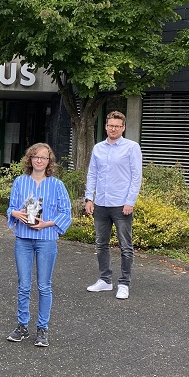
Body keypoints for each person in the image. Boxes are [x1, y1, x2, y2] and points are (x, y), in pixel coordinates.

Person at [5, 143, 72, 347]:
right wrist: (15, 213)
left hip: (46, 239)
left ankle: (42, 329)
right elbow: (11, 208)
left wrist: (47, 223)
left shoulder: (57, 185)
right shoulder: (19, 182)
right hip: (23, 238)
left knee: (44, 286)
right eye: (35, 157)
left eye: (43, 158)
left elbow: (66, 212)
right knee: (24, 285)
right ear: (30, 159)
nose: (39, 161)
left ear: (49, 161)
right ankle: (22, 326)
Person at [84, 111, 142, 300]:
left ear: (123, 127)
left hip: (121, 204)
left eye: (117, 126)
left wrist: (130, 201)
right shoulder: (98, 148)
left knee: (126, 246)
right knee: (101, 244)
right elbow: (92, 174)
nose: (113, 129)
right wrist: (89, 198)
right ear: (106, 126)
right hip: (101, 203)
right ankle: (105, 280)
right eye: (110, 125)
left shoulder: (131, 147)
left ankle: (124, 283)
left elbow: (136, 177)